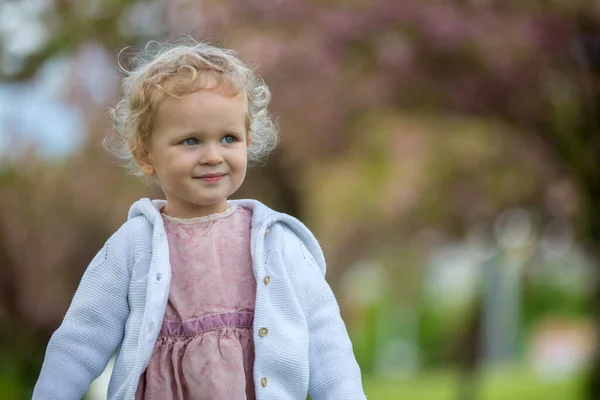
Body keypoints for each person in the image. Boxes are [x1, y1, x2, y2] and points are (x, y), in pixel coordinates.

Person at [32, 38, 366, 400]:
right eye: (190, 141)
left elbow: (325, 339)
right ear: (145, 154)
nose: (212, 155)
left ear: (248, 142)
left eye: (228, 138)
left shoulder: (277, 243)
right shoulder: (134, 245)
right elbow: (81, 339)